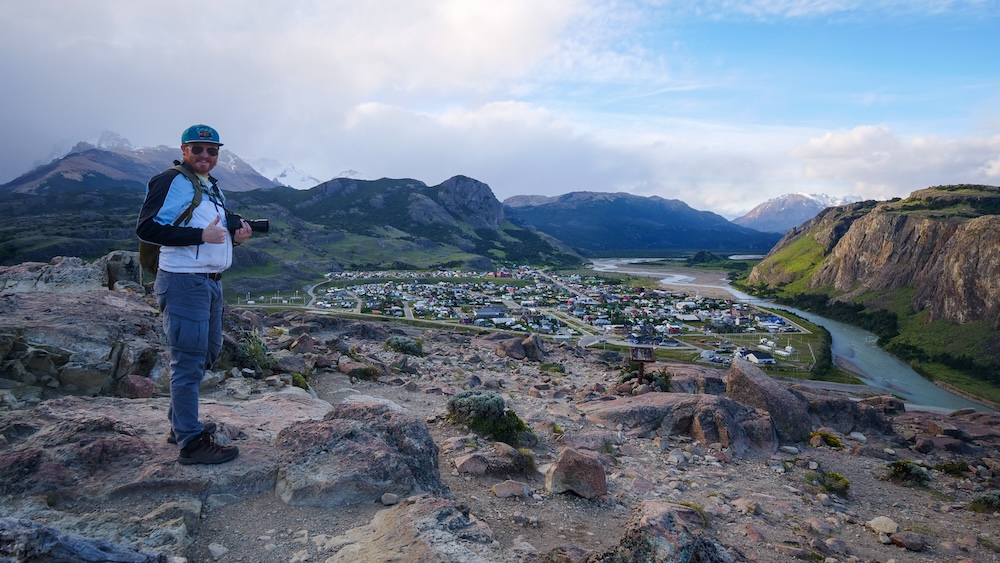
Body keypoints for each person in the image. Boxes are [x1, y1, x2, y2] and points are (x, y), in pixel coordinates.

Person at [136, 124, 252, 464]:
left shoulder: (210, 186)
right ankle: (190, 443)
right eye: (198, 149)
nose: (205, 155)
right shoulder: (170, 180)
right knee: (188, 359)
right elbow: (147, 227)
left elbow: (211, 234)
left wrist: (236, 239)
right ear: (184, 150)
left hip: (210, 282)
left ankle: (180, 423)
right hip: (185, 281)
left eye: (212, 150)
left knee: (207, 353)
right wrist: (200, 236)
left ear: (218, 155)